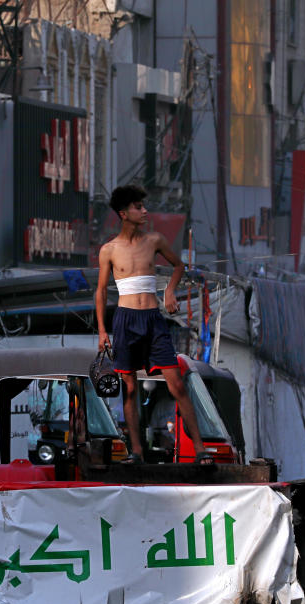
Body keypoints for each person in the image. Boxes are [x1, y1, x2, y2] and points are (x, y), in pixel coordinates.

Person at [95, 184, 212, 465]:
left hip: (153, 320)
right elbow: (99, 291)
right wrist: (102, 331)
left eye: (143, 206)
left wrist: (169, 291)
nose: (144, 211)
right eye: (138, 207)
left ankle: (200, 450)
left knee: (177, 384)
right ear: (124, 213)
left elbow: (178, 266)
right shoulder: (109, 250)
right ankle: (136, 452)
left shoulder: (155, 240)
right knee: (130, 387)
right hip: (125, 320)